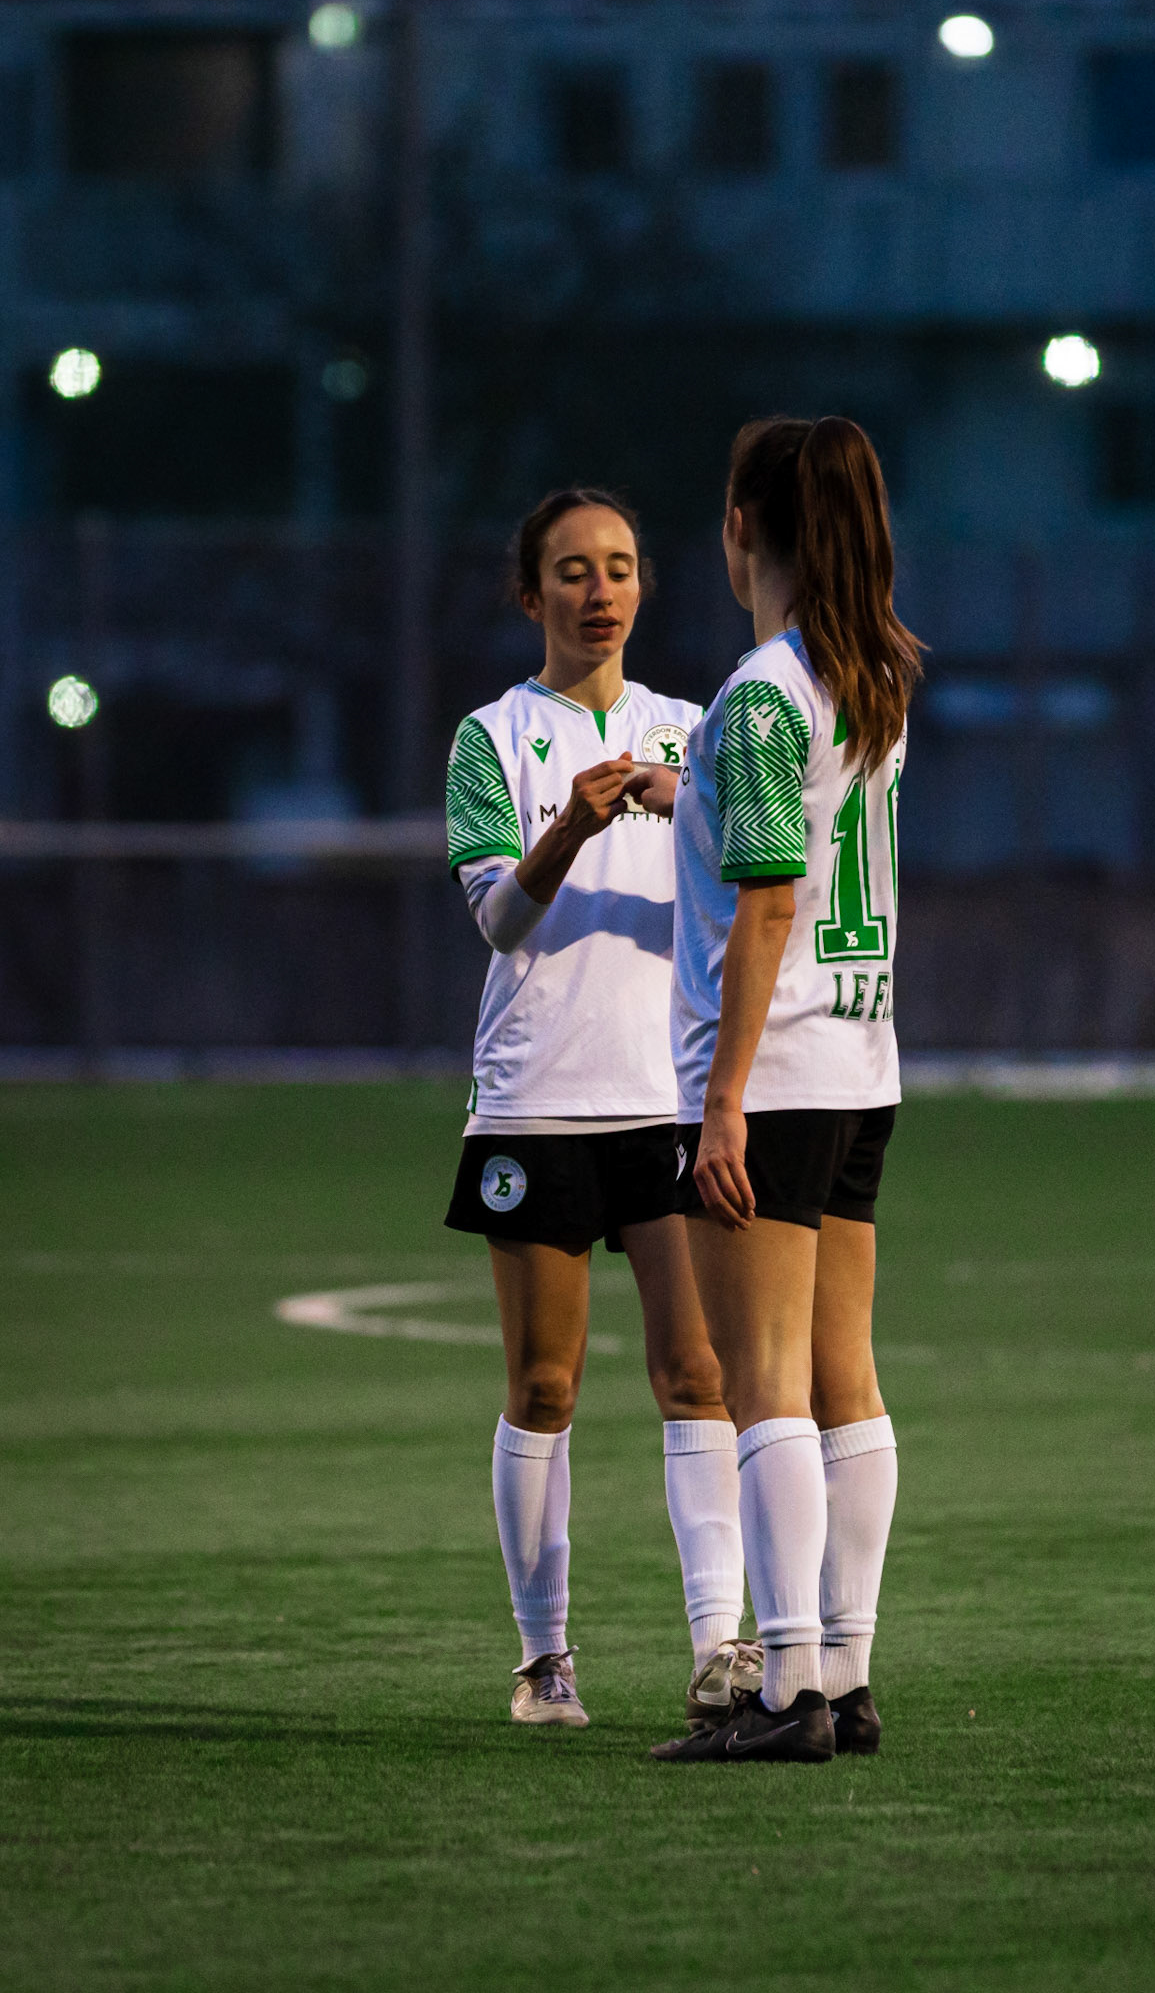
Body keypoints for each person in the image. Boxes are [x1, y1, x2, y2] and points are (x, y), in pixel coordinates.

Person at [443, 487, 758, 1731]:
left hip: (670, 1098)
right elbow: (497, 917)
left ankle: (719, 1651)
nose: (601, 587)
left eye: (621, 564)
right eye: (572, 569)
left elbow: (762, 866)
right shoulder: (491, 738)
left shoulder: (698, 727)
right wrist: (573, 822)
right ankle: (543, 1658)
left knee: (699, 1371)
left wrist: (685, 801)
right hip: (536, 1096)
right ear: (533, 594)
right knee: (547, 1384)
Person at [647, 417, 924, 1764]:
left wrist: (718, 1103)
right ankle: (849, 1677)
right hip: (862, 1062)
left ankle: (784, 1697)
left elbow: (766, 905)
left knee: (763, 1385)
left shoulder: (756, 692)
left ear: (743, 527)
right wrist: (684, 785)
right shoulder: (868, 672)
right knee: (843, 1380)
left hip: (778, 1075)